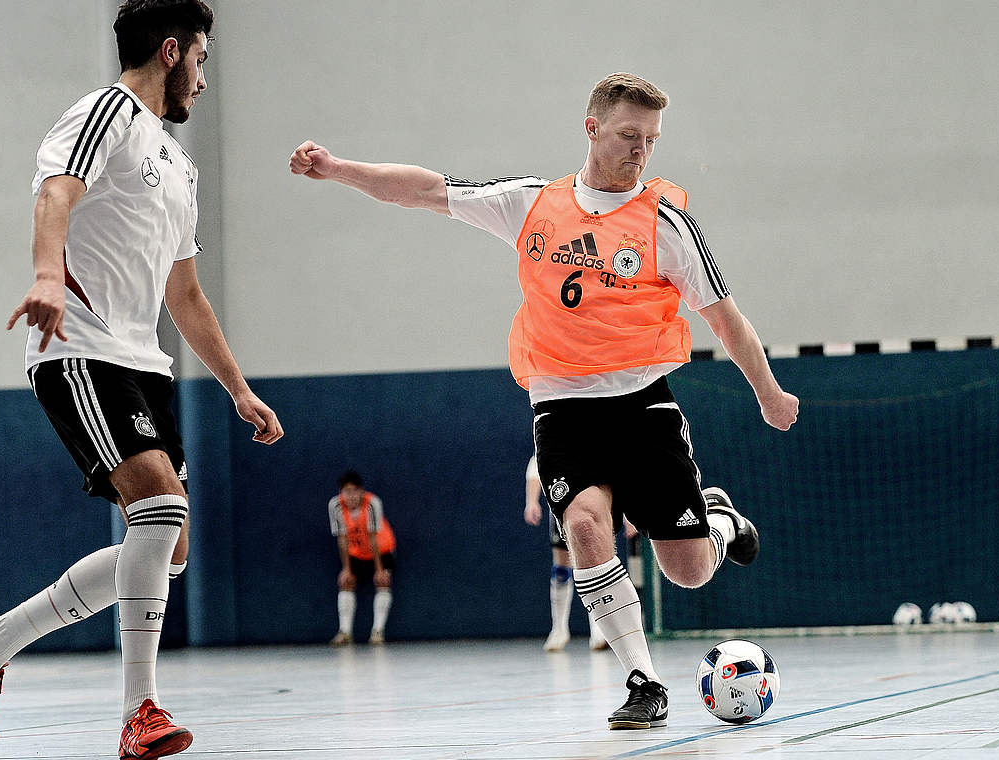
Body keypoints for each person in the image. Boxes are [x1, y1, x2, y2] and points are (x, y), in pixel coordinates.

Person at [289, 72, 798, 730]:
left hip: (642, 404)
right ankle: (643, 681)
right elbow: (424, 189)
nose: (640, 150)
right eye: (627, 135)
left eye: (651, 140)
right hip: (562, 408)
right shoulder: (531, 203)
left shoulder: (667, 224)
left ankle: (720, 521)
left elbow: (726, 319)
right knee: (585, 526)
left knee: (690, 572)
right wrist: (337, 169)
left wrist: (768, 391)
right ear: (591, 129)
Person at [0, 3, 283, 758]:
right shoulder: (108, 112)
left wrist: (236, 387)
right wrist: (45, 278)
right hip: (79, 347)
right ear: (171, 52)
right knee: (159, 509)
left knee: (169, 543)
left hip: (143, 365)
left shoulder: (179, 165)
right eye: (201, 56)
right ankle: (140, 712)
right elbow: (56, 191)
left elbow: (184, 294)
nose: (204, 72)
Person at [525, 454, 635, 652]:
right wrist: (532, 501)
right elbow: (536, 465)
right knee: (561, 568)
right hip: (563, 506)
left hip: (597, 506)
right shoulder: (554, 433)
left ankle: (600, 630)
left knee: (598, 565)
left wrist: (629, 514)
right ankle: (558, 629)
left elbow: (619, 474)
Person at [327, 470, 397, 646]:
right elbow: (342, 539)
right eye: (346, 491)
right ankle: (345, 632)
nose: (350, 496)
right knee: (346, 581)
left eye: (354, 491)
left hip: (381, 550)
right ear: (341, 492)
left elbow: (373, 537)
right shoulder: (335, 505)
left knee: (383, 581)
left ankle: (378, 632)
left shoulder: (372, 503)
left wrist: (379, 570)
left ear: (361, 491)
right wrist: (347, 569)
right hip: (356, 552)